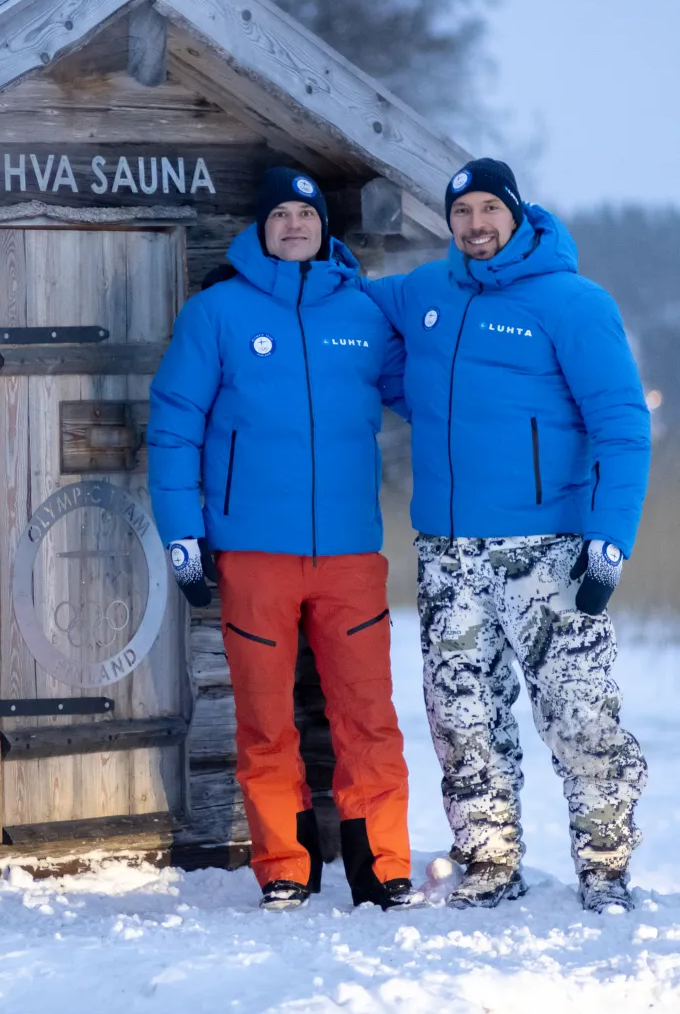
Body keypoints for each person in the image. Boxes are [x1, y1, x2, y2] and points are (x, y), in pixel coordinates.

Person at [366, 157, 651, 913]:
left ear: (517, 214)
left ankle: (604, 868)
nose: (475, 225)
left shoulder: (573, 303)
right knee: (463, 715)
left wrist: (609, 540)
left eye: (489, 209)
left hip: (548, 553)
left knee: (579, 714)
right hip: (448, 555)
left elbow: (623, 425)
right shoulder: (427, 291)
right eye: (462, 213)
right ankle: (490, 864)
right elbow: (350, 304)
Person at [147, 166, 418, 912]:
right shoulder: (219, 315)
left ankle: (383, 865)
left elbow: (426, 394)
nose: (295, 225)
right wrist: (184, 536)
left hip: (350, 555)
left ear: (324, 227)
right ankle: (286, 867)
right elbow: (174, 427)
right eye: (281, 216)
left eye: (307, 214)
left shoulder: (363, 313)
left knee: (368, 715)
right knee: (267, 720)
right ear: (260, 229)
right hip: (253, 556)